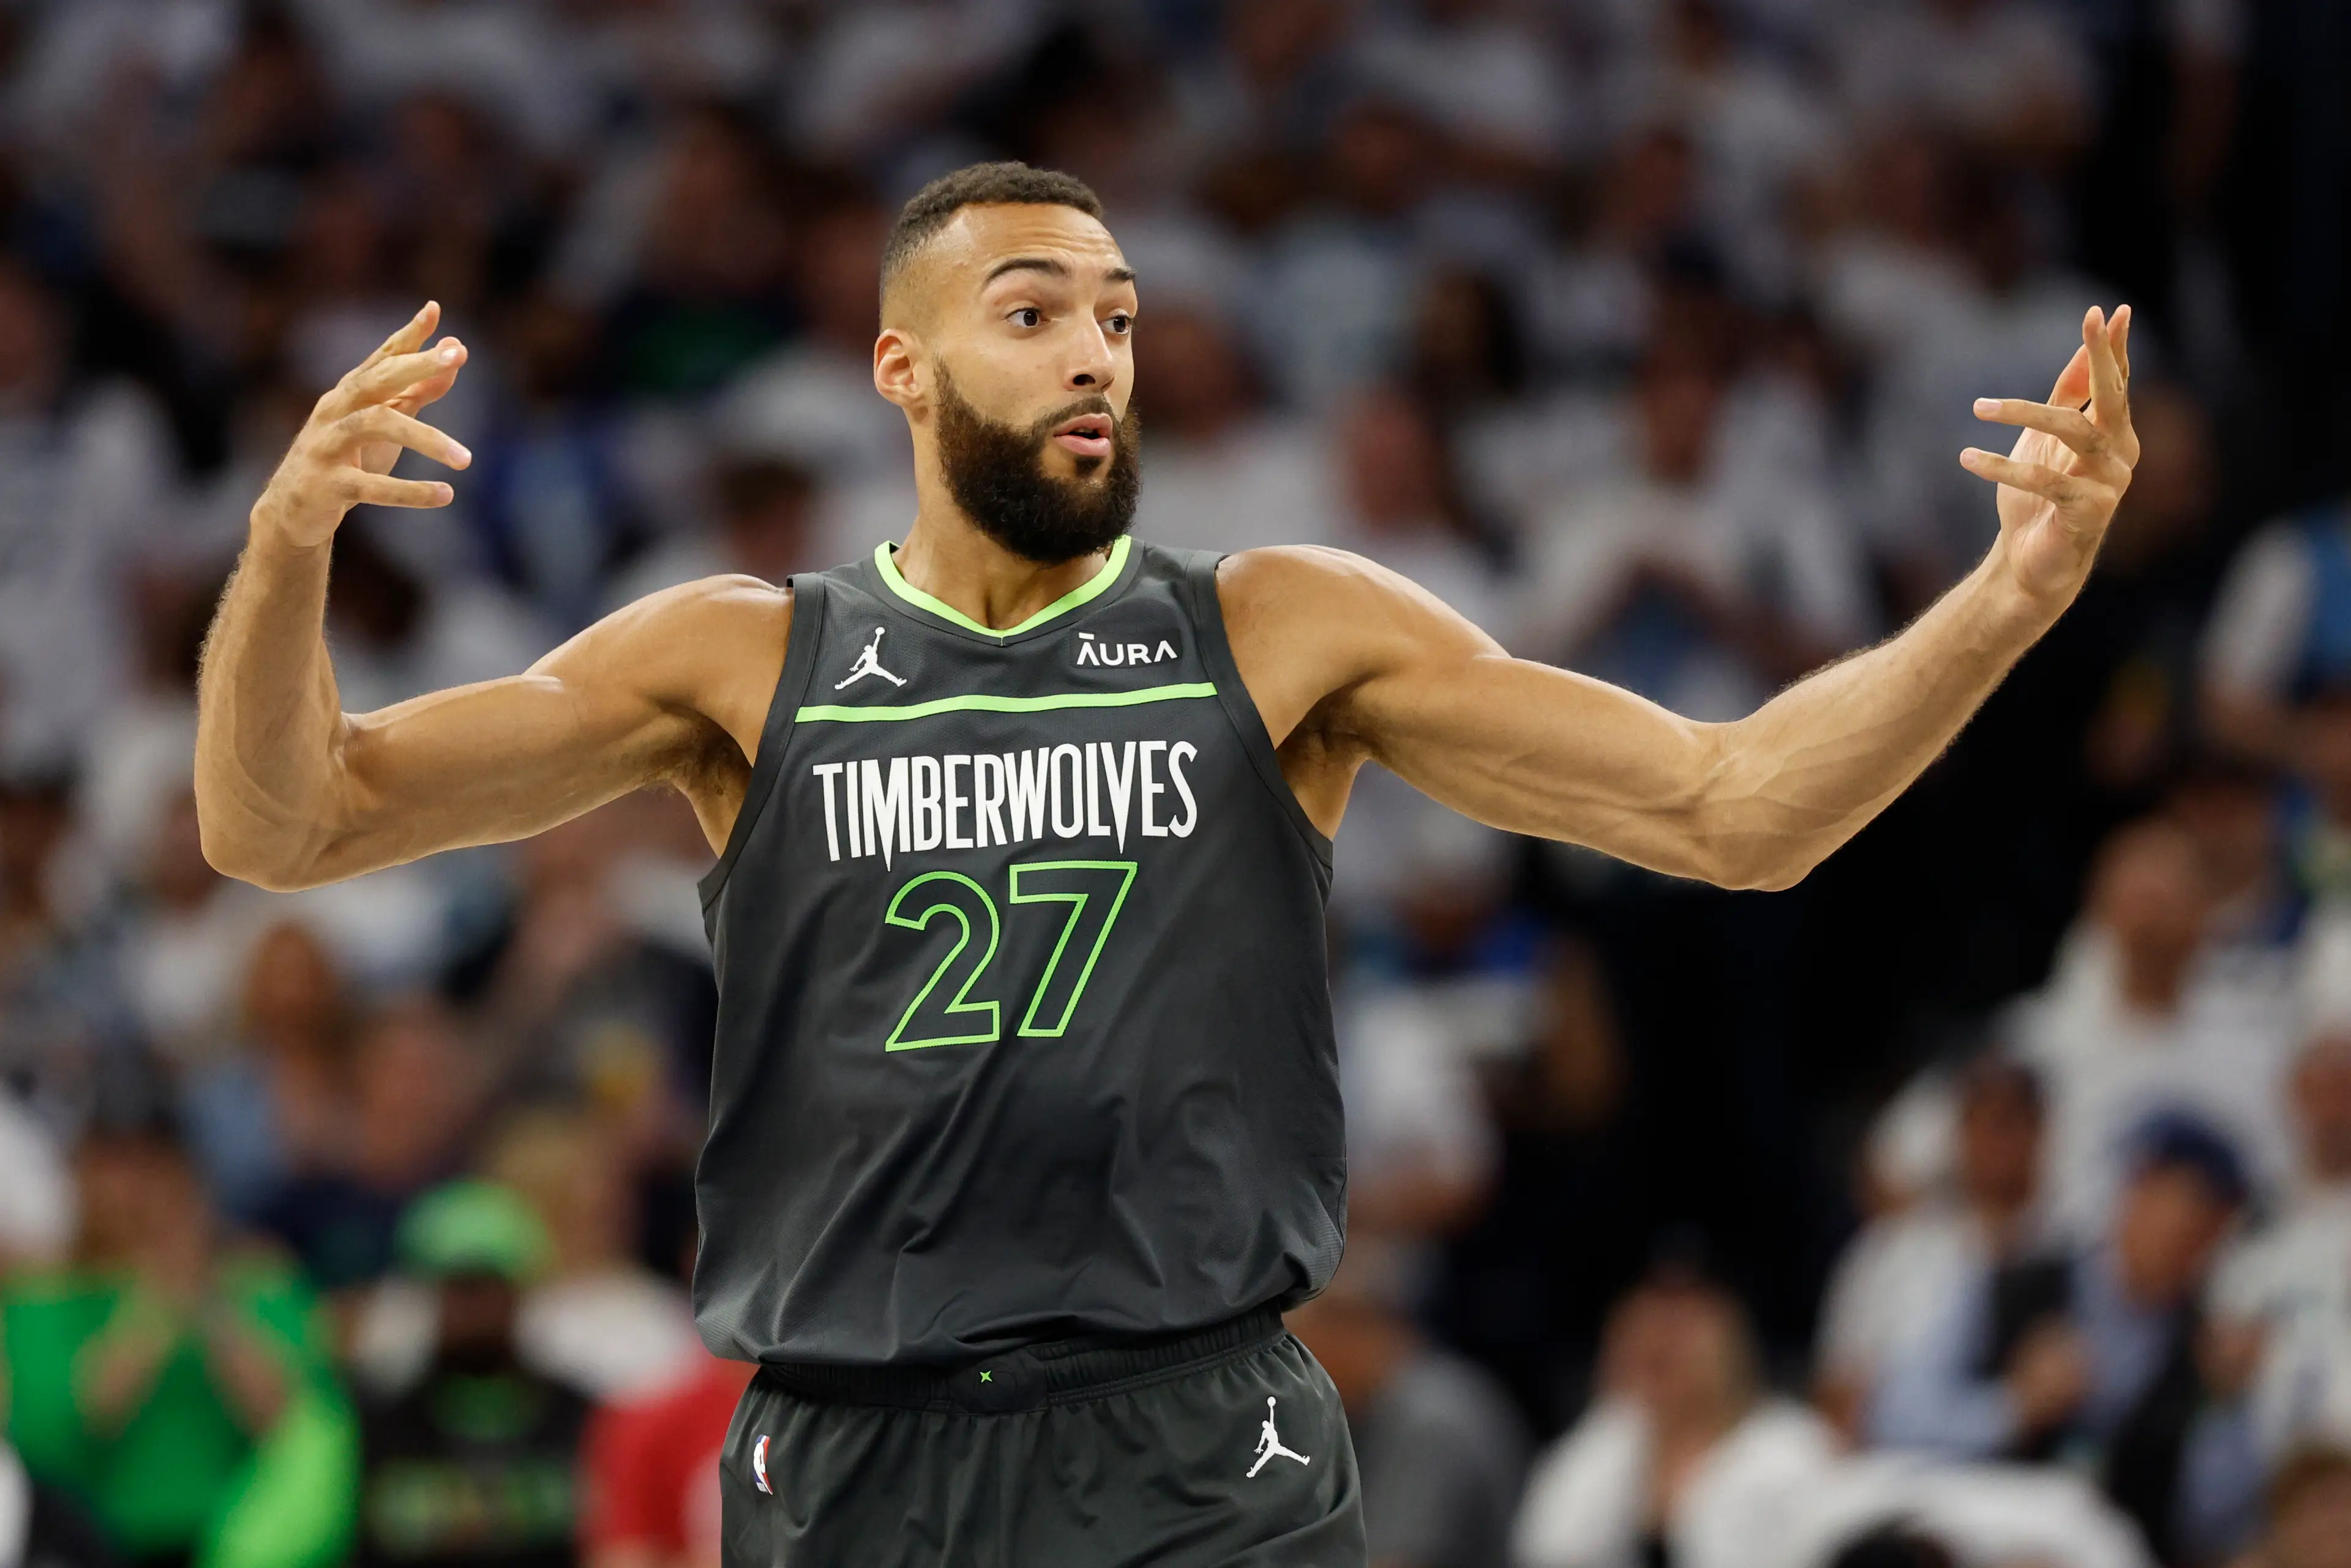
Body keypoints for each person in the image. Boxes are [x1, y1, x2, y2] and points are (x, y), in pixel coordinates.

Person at [190, 160, 2142, 1564]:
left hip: (1198, 1437)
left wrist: (2000, 603)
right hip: (849, 1451)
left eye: (1115, 316)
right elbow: (285, 821)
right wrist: (283, 554)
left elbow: (1734, 808)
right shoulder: (742, 656)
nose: (1092, 355)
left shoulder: (1277, 628)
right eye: (1031, 313)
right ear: (900, 366)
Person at [1870, 1113, 2262, 1565]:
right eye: (2188, 1219)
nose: (2195, 1246)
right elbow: (1892, 1416)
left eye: (2214, 1231)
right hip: (1981, 1539)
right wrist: (2013, 1405)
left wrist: (2227, 1405)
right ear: (2138, 1191)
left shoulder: (2203, 1349)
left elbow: (2209, 1527)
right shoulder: (2016, 1283)